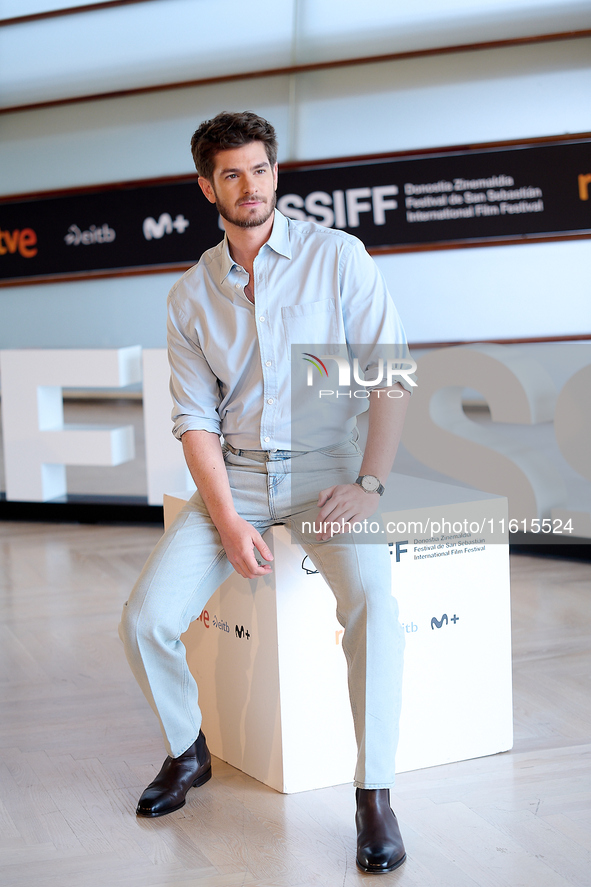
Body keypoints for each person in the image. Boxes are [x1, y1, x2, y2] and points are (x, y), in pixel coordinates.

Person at [119, 110, 414, 874]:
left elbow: (387, 376)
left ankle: (373, 793)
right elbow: (194, 420)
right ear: (205, 185)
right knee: (146, 617)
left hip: (327, 469)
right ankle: (189, 751)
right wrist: (225, 515)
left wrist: (370, 483)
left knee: (376, 608)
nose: (248, 186)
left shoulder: (337, 256)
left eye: (259, 169)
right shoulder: (189, 295)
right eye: (230, 173)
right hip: (240, 475)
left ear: (274, 174)